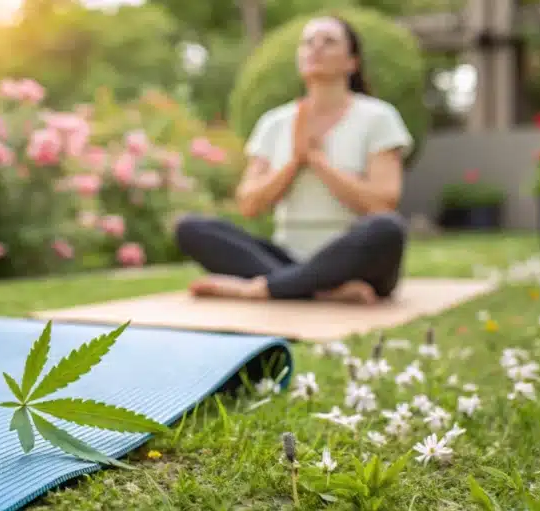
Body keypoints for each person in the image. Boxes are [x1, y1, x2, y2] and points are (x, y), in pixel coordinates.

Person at [175, 16, 414, 305]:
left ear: (352, 62)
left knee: (388, 228)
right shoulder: (274, 122)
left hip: (354, 261)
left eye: (329, 41)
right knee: (190, 228)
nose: (316, 48)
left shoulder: (378, 117)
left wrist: (318, 161)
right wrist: (294, 162)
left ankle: (265, 287)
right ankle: (316, 288)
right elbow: (249, 203)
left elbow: (383, 202)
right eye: (308, 42)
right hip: (285, 256)